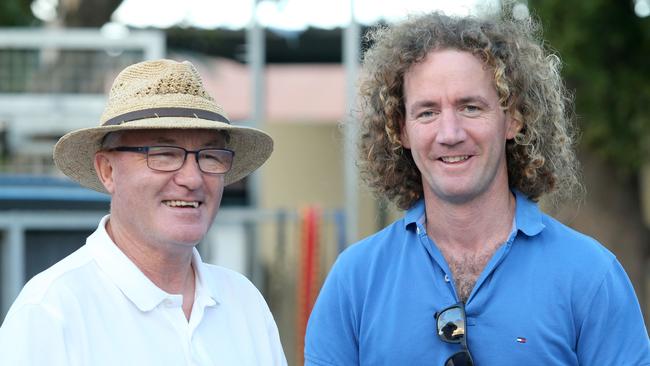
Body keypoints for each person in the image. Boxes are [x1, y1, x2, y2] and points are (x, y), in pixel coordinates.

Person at [305, 9, 650, 366]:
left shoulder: (591, 275)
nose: (450, 133)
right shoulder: (355, 281)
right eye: (427, 112)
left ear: (513, 118)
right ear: (401, 130)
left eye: (470, 107)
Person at [0, 59, 287, 365]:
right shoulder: (53, 312)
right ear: (108, 171)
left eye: (210, 156)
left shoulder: (243, 302)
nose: (192, 178)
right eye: (164, 154)